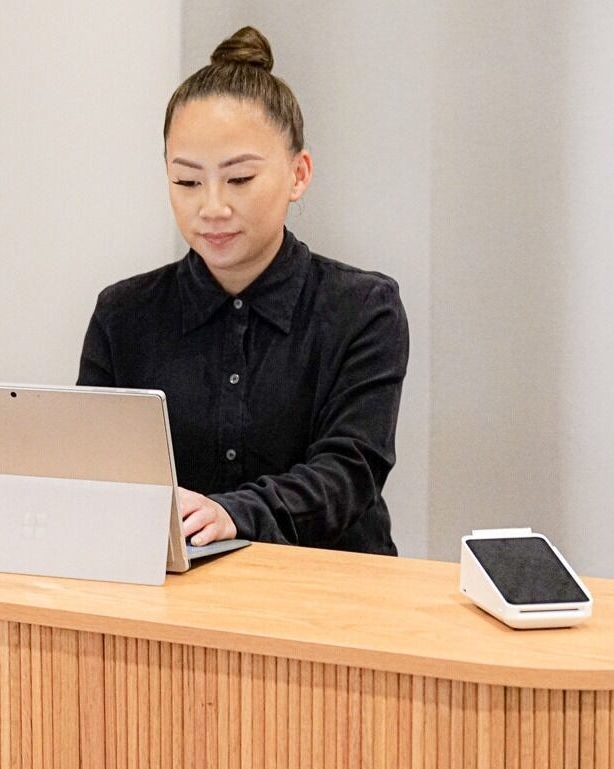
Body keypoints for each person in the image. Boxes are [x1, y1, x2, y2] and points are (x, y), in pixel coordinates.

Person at [77, 26, 408, 555]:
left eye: (239, 179)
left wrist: (235, 513)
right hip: (174, 599)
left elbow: (350, 470)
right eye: (187, 182)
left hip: (330, 593)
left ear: (298, 174)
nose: (211, 206)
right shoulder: (124, 315)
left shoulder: (362, 309)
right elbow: (94, 470)